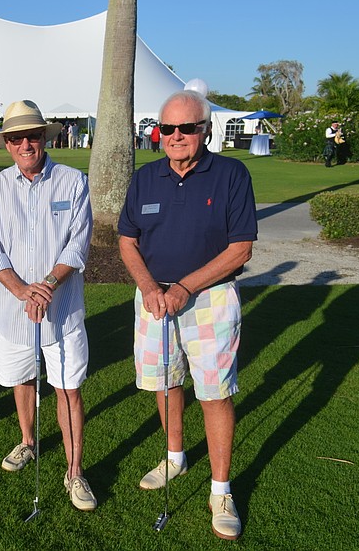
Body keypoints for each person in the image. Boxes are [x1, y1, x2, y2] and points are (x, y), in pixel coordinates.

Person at [117, 90, 257, 540]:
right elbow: (127, 240)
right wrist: (149, 287)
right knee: (165, 381)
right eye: (169, 128)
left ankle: (220, 488)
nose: (177, 136)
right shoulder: (145, 178)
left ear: (206, 131)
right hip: (154, 299)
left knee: (214, 393)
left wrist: (184, 287)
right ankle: (174, 457)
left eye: (188, 128)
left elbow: (241, 249)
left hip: (209, 300)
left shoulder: (231, 174)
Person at [0, 100, 97, 511]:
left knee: (68, 390)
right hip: (12, 314)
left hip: (62, 310)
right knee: (22, 380)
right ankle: (28, 441)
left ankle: (74, 472)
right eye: (16, 138)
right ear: (7, 145)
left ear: (44, 138)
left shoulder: (72, 181)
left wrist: (46, 285)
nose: (25, 144)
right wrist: (22, 291)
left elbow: (78, 243)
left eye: (32, 135)